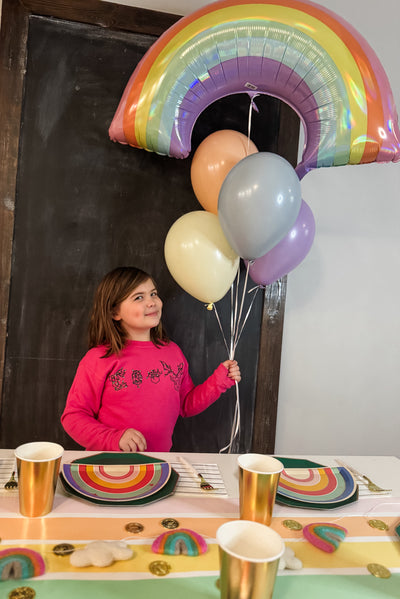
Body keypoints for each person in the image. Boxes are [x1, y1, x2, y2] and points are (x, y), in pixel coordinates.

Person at [61, 266, 241, 452]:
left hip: (158, 466)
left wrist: (219, 380)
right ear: (115, 312)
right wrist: (114, 439)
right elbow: (73, 417)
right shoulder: (98, 359)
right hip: (109, 467)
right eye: (139, 297)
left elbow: (186, 404)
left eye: (153, 294)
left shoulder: (173, 353)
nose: (151, 302)